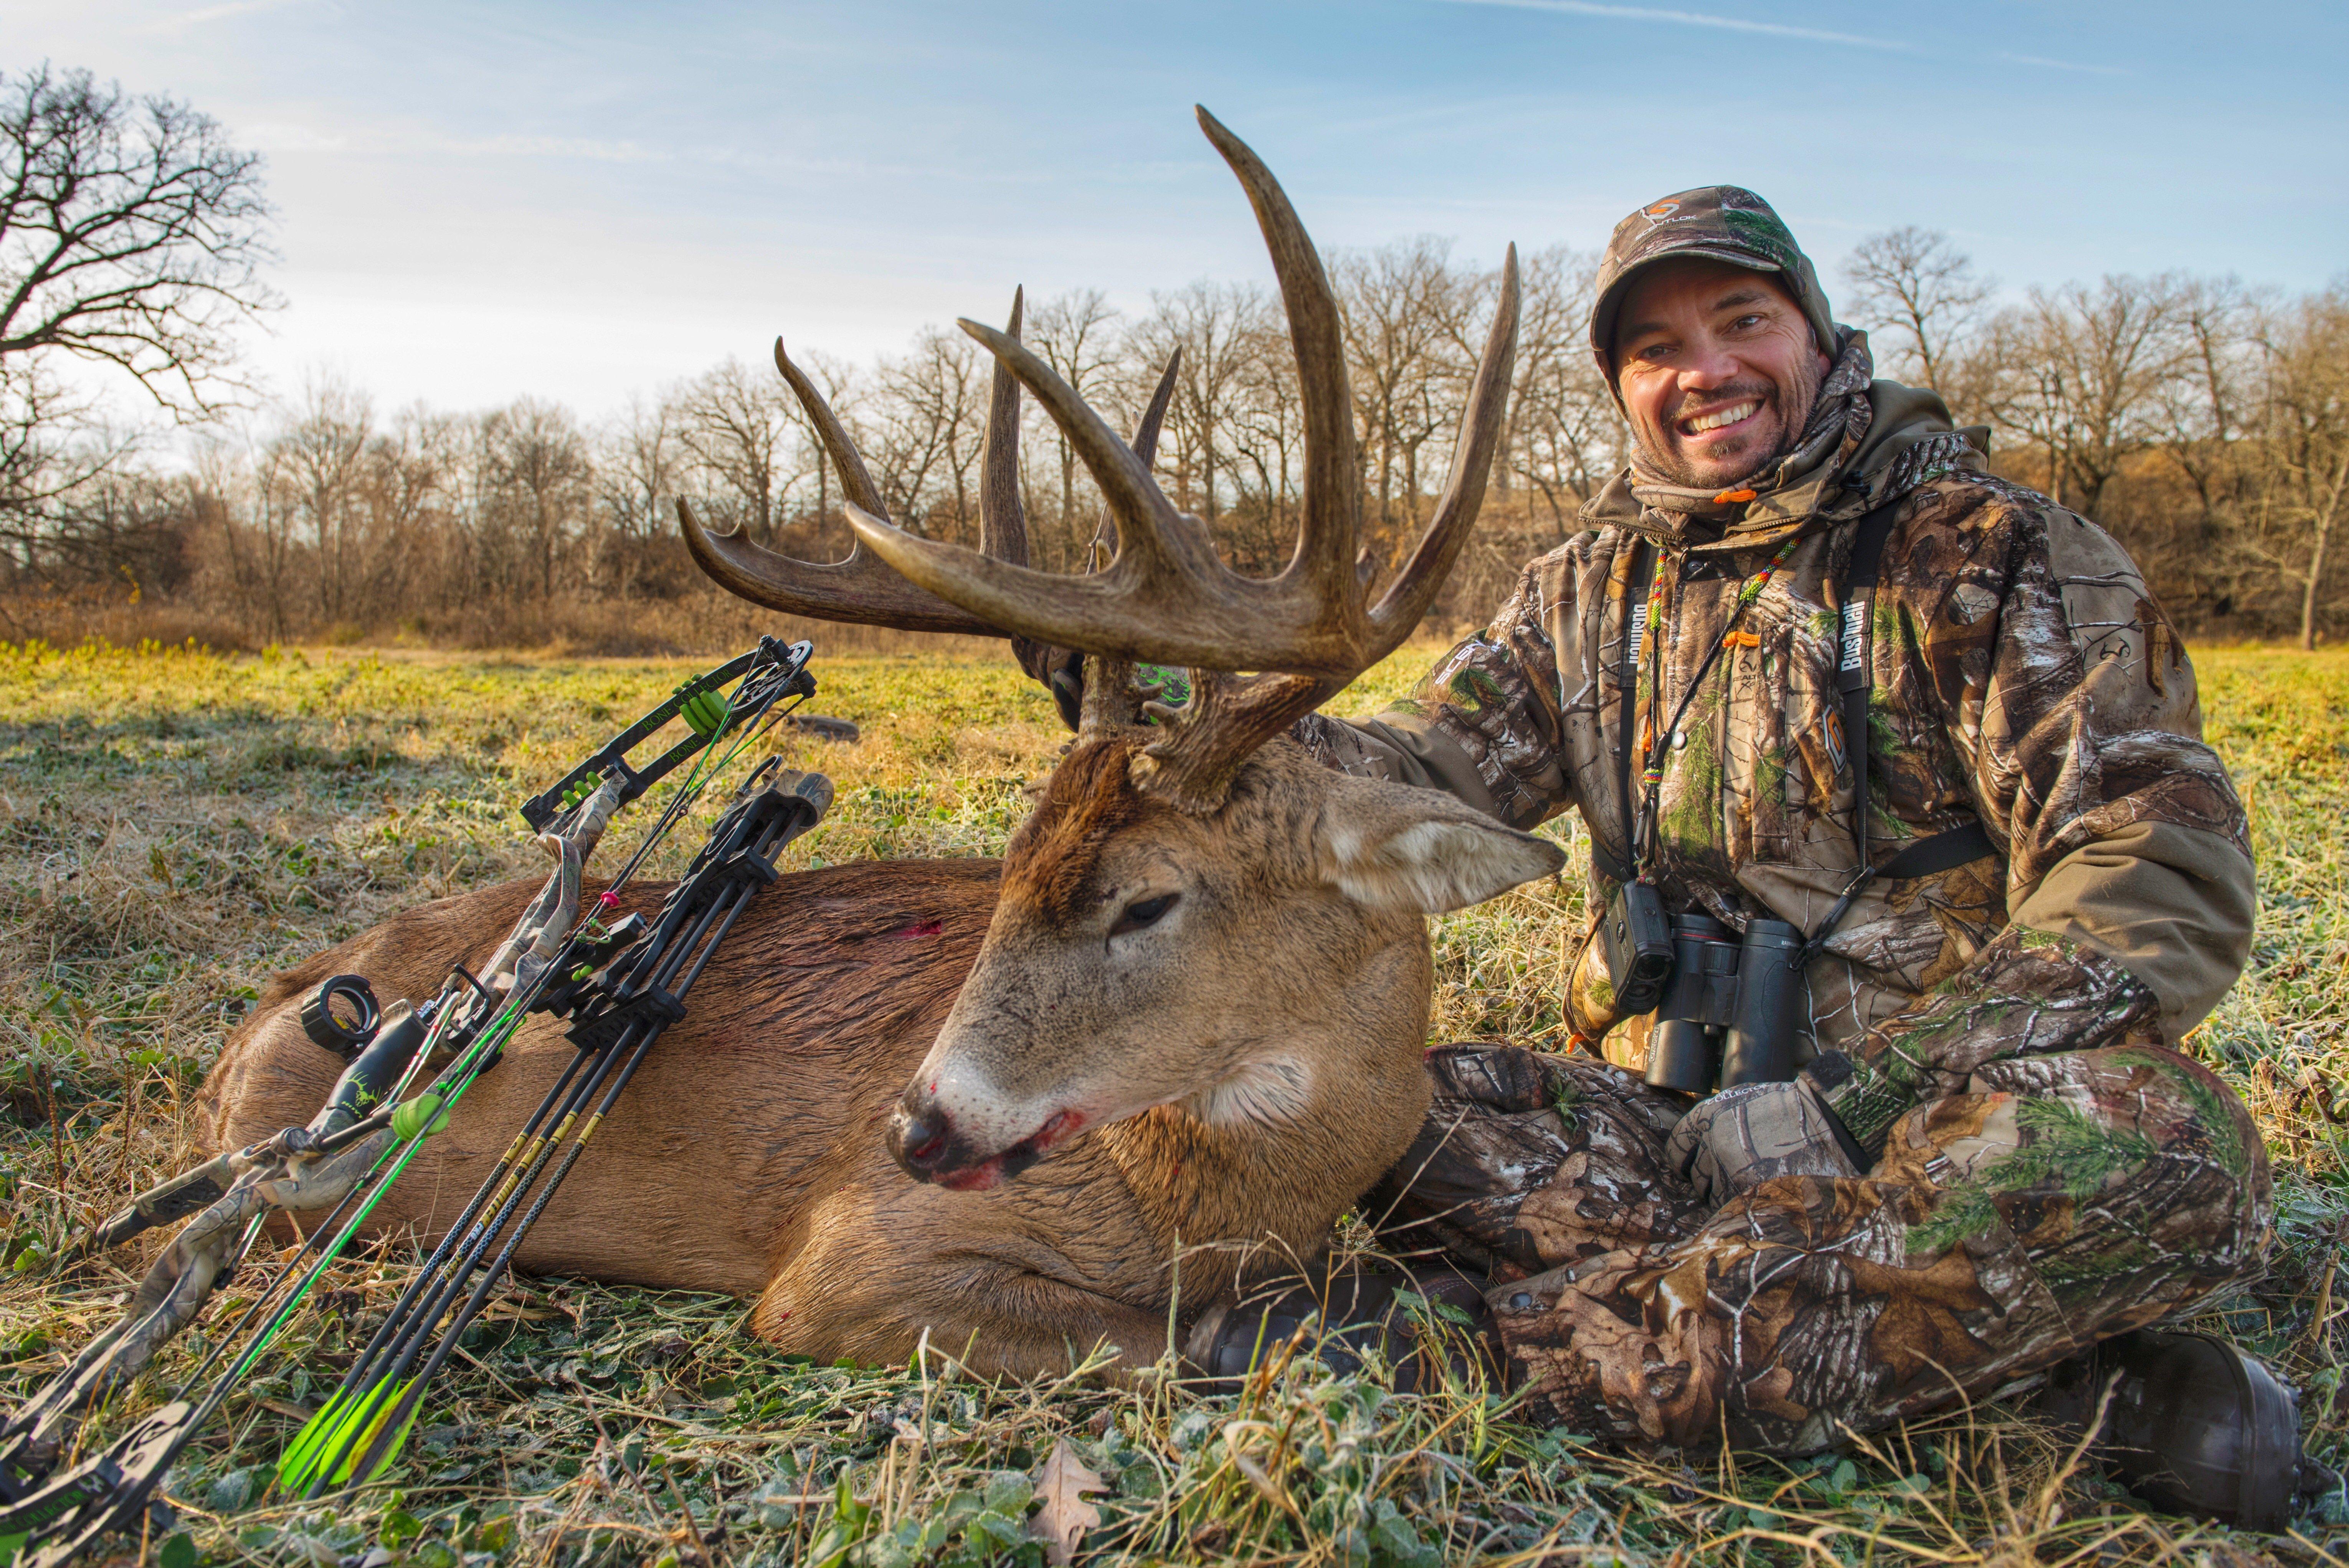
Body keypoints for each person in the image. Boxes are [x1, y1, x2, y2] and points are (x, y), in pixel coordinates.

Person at [1252, 187, 2306, 1523]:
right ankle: (2046, 1384)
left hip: (1935, 1129)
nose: (1706, 371)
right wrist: (1198, 738)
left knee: (2169, 1147)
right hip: (1661, 1138)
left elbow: (2154, 870)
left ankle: (1433, 1347)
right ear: (1624, 385)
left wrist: (1859, 1099)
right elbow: (1419, 770)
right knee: (1371, 1101)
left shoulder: (1990, 549)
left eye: (1741, 319)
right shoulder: (1581, 592)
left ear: (1813, 331)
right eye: (1656, 347)